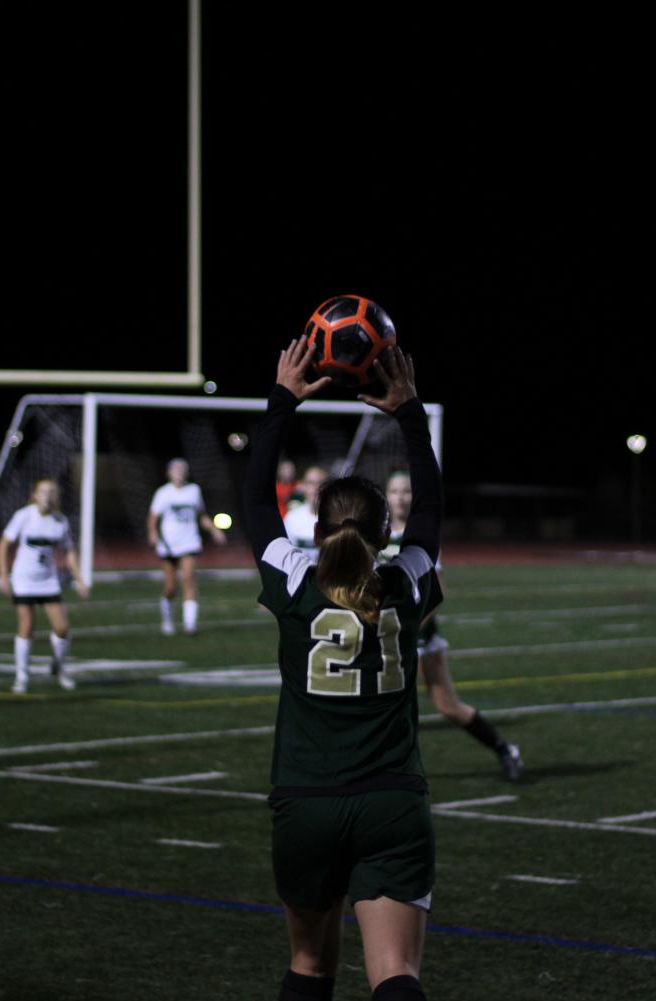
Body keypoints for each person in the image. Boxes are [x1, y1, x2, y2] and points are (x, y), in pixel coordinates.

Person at [244, 340, 441, 1001]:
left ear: (319, 532)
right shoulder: (406, 584)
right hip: (390, 800)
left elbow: (253, 502)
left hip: (305, 800)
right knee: (396, 975)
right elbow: (432, 513)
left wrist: (282, 399)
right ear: (386, 533)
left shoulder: (295, 581)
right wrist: (408, 413)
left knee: (309, 966)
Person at [383, 470, 523, 780]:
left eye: (406, 491)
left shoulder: (421, 536)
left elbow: (438, 592)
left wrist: (410, 627)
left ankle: (505, 749)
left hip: (415, 636)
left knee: (448, 707)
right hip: (382, 637)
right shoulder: (374, 532)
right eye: (395, 491)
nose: (400, 497)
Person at [0, 479, 89, 693]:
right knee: (27, 627)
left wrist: (79, 580)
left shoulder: (60, 521)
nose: (48, 496)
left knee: (62, 628)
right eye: (43, 492)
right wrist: (3, 576)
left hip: (48, 581)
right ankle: (22, 676)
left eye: (52, 492)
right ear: (34, 494)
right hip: (23, 580)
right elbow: (3, 544)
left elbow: (69, 552)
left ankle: (58, 666)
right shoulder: (24, 516)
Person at [146, 457, 227, 635]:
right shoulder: (163, 493)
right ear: (169, 473)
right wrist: (152, 534)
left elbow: (201, 515)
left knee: (189, 580)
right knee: (170, 587)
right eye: (175, 470)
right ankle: (167, 621)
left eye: (182, 470)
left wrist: (214, 530)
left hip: (189, 542)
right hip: (168, 544)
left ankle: (190, 625)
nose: (179, 473)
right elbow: (153, 518)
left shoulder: (193, 491)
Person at [283, 463, 330, 555]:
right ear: (303, 486)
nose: (316, 488)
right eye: (310, 483)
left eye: (320, 483)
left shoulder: (337, 519)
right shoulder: (291, 518)